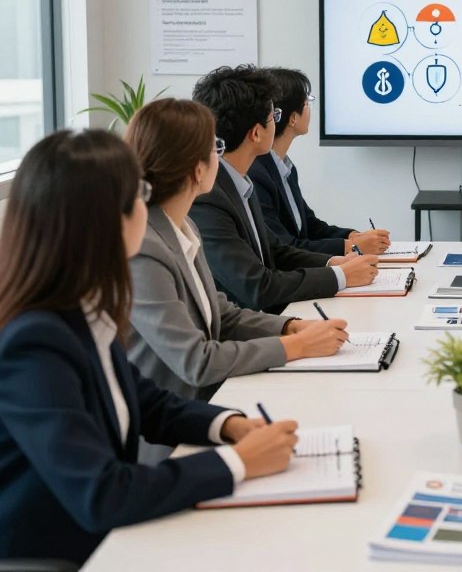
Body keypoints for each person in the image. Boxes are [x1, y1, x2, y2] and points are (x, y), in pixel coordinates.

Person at [0, 130, 298, 567]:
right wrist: (236, 464)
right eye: (138, 193)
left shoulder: (82, 307)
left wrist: (229, 426)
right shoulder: (35, 343)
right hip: (64, 556)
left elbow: (148, 403)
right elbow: (102, 493)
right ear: (103, 219)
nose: (148, 203)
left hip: (110, 538)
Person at [125, 99, 349, 410]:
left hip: (214, 401)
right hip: (177, 425)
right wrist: (295, 345)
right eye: (214, 147)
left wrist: (289, 326)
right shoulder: (144, 250)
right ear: (197, 169)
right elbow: (196, 361)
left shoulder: (182, 226)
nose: (220, 155)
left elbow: (222, 315)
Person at [190, 65, 378, 311]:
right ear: (256, 133)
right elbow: (256, 286)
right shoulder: (208, 197)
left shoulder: (238, 181)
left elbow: (276, 251)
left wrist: (336, 263)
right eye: (273, 116)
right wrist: (340, 276)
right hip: (243, 330)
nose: (276, 123)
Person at [249, 67, 391, 255]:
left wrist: (353, 236)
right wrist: (351, 247)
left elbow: (311, 227)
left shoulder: (285, 168)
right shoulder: (256, 174)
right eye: (307, 102)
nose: (310, 107)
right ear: (292, 118)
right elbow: (284, 246)